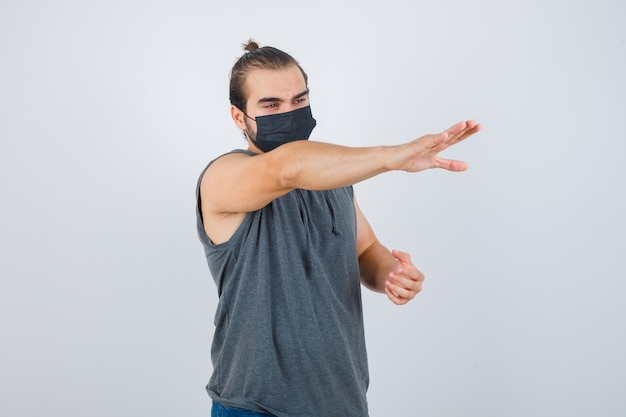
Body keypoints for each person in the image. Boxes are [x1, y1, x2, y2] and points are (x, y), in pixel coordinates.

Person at [196, 40, 481, 417]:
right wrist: (389, 157)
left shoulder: (335, 176)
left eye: (299, 100)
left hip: (341, 400)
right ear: (238, 116)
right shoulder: (223, 177)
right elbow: (286, 167)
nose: (289, 113)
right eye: (270, 105)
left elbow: (365, 250)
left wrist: (391, 274)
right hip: (256, 406)